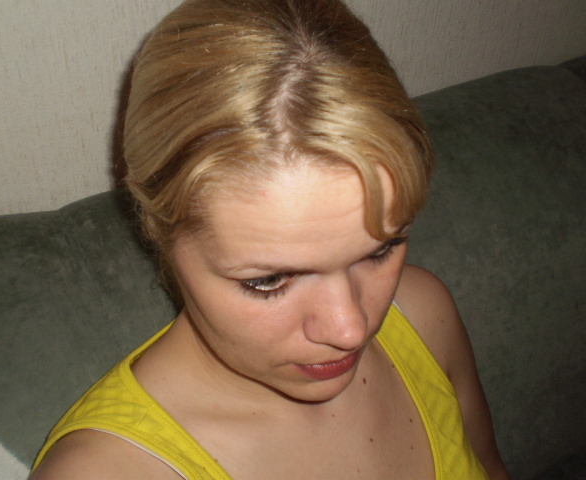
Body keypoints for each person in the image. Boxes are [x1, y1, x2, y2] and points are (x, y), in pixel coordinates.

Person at [30, 0, 509, 478]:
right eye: (270, 280)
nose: (350, 329)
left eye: (381, 250)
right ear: (156, 225)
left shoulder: (424, 315)